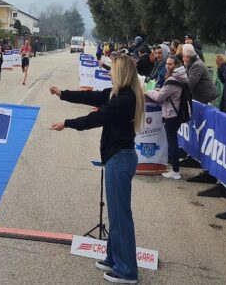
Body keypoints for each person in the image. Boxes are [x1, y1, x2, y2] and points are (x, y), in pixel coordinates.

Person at [48, 56, 144, 284]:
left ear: (121, 73)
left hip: (120, 160)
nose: (110, 73)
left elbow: (96, 118)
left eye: (112, 70)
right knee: (116, 214)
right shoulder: (118, 94)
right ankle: (114, 258)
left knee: (121, 217)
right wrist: (64, 94)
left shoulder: (124, 101)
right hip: (117, 158)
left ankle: (127, 270)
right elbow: (92, 96)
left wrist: (67, 123)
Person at [146, 56, 188, 180]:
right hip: (177, 113)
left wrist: (149, 92)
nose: (167, 66)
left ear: (176, 65)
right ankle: (174, 169)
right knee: (172, 141)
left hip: (171, 114)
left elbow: (159, 97)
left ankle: (175, 171)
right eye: (167, 64)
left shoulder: (172, 80)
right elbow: (167, 92)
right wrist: (161, 90)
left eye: (170, 64)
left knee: (172, 142)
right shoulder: (181, 77)